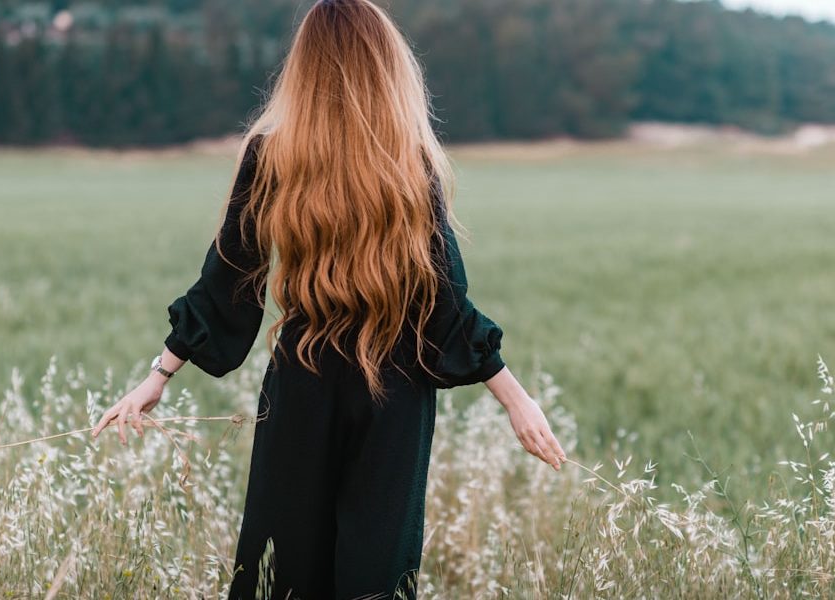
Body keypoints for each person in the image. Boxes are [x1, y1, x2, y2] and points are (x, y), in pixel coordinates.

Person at [91, 0, 567, 597]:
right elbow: (443, 302)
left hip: (302, 380)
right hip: (394, 390)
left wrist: (158, 375)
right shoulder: (408, 163)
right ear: (386, 66)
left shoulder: (272, 154)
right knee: (376, 578)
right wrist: (516, 399)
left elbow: (229, 282)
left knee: (283, 575)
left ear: (305, 68)